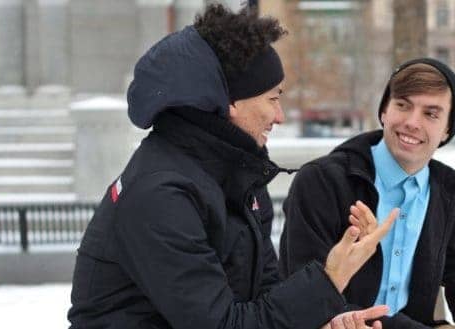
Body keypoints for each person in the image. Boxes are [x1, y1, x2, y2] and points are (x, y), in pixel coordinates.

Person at [67, 4, 393, 329]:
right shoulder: (161, 195)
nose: (279, 116)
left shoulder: (239, 178)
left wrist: (324, 320)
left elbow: (264, 299)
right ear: (231, 103)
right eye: (273, 98)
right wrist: (330, 277)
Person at [279, 58, 455, 329]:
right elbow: (303, 295)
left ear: (447, 130)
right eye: (403, 105)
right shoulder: (322, 182)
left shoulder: (451, 195)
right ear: (384, 110)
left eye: (431, 114)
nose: (412, 122)